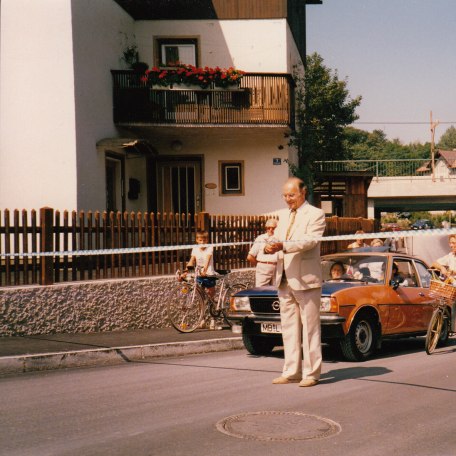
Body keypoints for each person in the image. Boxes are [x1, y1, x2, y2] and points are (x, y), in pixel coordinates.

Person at [264, 177, 326, 387]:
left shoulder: (316, 214)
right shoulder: (282, 216)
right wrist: (269, 246)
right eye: (285, 195)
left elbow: (311, 241)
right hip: (283, 279)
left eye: (291, 195)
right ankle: (291, 371)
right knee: (289, 327)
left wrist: (283, 245)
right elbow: (275, 240)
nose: (287, 199)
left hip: (306, 279)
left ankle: (311, 373)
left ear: (303, 192)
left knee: (310, 329)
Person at [184, 230, 219, 330]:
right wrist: (186, 270)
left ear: (207, 240)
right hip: (199, 275)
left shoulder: (209, 248)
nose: (202, 242)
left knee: (211, 297)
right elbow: (191, 261)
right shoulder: (195, 249)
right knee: (201, 299)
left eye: (204, 240)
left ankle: (213, 320)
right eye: (200, 240)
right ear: (197, 240)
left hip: (209, 274)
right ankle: (202, 320)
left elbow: (208, 260)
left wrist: (204, 269)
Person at [247, 218, 278, 286]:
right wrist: (260, 265)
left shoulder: (280, 238)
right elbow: (250, 256)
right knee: (261, 291)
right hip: (263, 267)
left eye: (273, 228)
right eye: (268, 228)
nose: (270, 230)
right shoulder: (260, 238)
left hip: (277, 269)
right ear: (266, 228)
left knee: (277, 292)